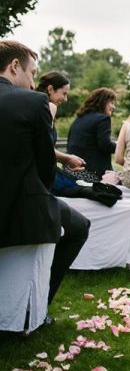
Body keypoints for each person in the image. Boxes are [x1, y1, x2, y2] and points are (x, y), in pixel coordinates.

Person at [0, 40, 89, 320]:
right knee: (80, 227)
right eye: (32, 73)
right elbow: (44, 164)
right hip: (20, 202)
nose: (31, 83)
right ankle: (36, 305)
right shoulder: (34, 101)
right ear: (14, 66)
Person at [36, 72, 86, 183]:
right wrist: (67, 159)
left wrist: (66, 159)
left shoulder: (33, 104)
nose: (65, 99)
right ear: (50, 89)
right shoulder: (50, 106)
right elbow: (44, 148)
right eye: (64, 93)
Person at [66, 88, 117, 183]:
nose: (113, 107)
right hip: (91, 175)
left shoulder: (78, 119)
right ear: (102, 102)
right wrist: (120, 146)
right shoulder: (103, 119)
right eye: (111, 103)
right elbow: (105, 145)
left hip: (71, 173)